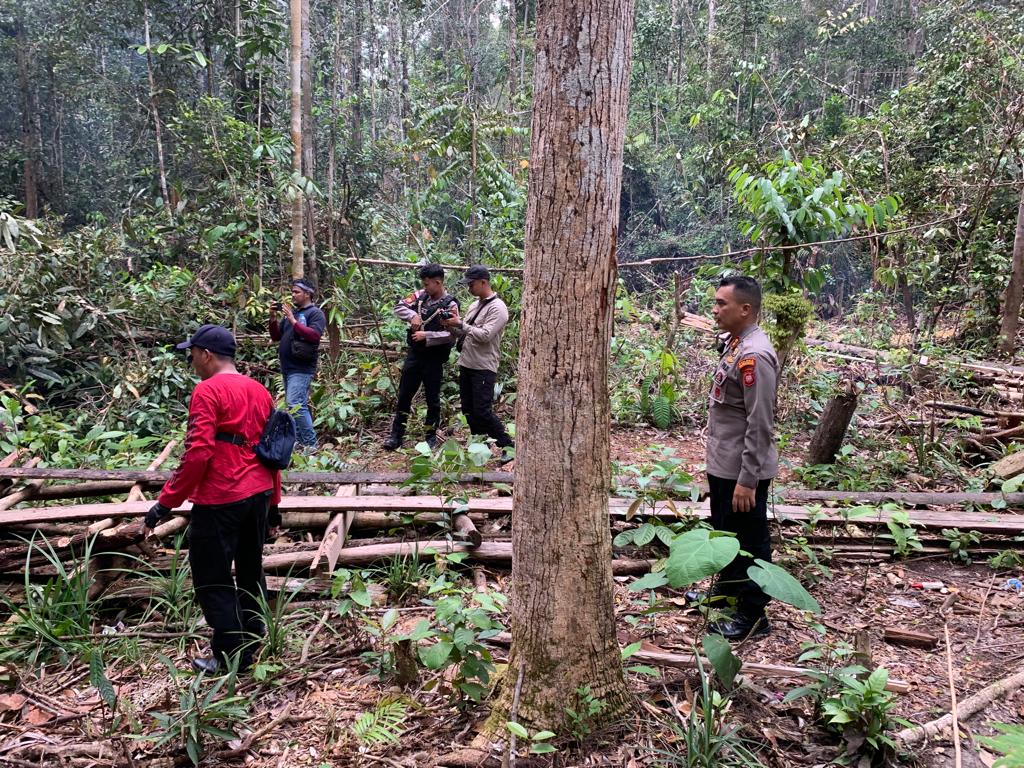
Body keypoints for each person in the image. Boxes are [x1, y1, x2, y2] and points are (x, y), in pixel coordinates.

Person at [143, 324, 282, 674]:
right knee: (250, 568)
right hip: (259, 492)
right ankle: (253, 634)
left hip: (222, 495)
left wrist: (166, 502)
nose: (191, 361)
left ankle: (230, 655)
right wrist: (275, 503)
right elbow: (274, 452)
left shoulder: (207, 391)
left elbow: (199, 452)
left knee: (211, 577)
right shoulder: (259, 391)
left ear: (205, 354)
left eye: (192, 354)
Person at [704, 275, 780, 640]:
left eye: (722, 304)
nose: (715, 310)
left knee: (750, 541)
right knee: (726, 532)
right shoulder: (736, 343)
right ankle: (728, 594)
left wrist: (748, 479)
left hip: (741, 471)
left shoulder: (755, 355)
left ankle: (753, 614)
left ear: (745, 309)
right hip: (724, 462)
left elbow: (760, 423)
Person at [442, 265, 514, 463]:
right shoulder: (475, 305)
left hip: (483, 366)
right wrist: (450, 325)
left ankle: (508, 445)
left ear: (484, 282)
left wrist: (460, 324)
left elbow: (485, 335)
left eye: (471, 284)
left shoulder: (498, 308)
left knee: (482, 411)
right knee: (468, 409)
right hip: (467, 363)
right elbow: (466, 331)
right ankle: (482, 446)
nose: (469, 288)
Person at [384, 264, 459, 451]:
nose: (425, 288)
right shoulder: (420, 296)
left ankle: (430, 437)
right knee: (404, 395)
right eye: (423, 284)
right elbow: (399, 306)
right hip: (414, 355)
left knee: (432, 399)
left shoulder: (450, 305)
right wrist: (412, 316)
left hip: (434, 359)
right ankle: (396, 436)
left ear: (438, 282)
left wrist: (429, 336)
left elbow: (453, 334)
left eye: (427, 284)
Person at [269, 278, 326, 450]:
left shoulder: (315, 313)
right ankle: (301, 444)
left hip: (301, 368)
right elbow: (276, 337)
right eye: (292, 292)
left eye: (297, 292)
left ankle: (311, 444)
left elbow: (314, 336)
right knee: (295, 406)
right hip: (287, 368)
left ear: (307, 294)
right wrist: (272, 318)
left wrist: (293, 320)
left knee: (295, 405)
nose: (293, 295)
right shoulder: (290, 314)